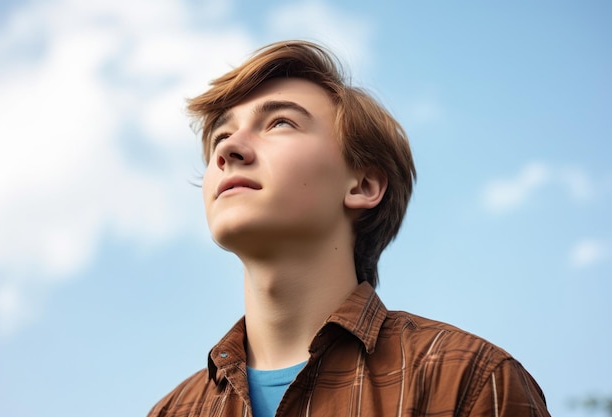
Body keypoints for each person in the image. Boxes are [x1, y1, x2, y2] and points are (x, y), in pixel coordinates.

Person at [147, 40, 551, 417]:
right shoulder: (173, 411)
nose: (227, 150)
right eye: (221, 134)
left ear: (363, 185)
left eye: (280, 123)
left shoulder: (466, 379)